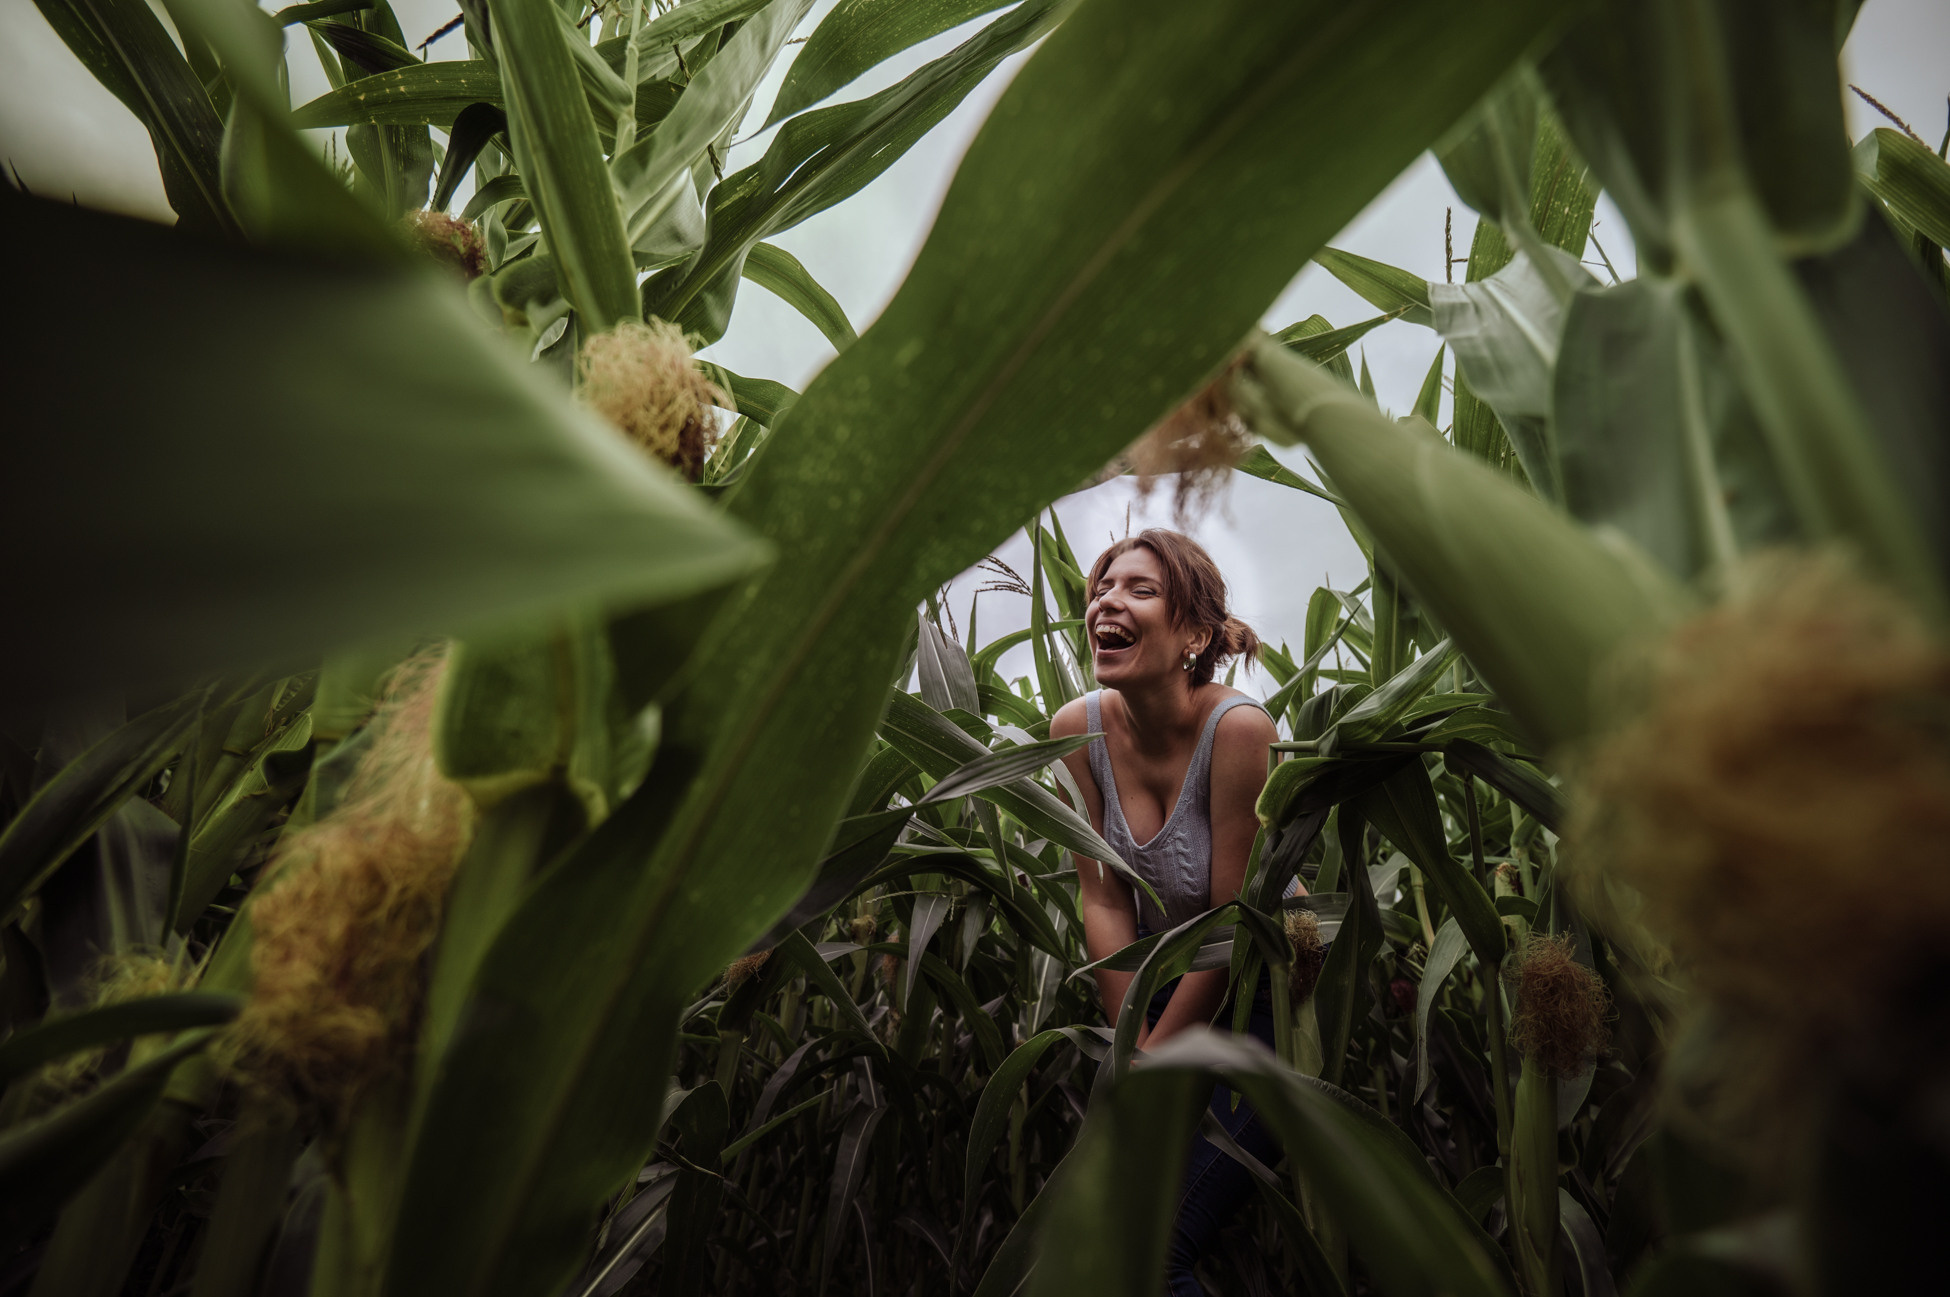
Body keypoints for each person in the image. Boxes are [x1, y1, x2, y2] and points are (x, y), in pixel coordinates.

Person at [1049, 529, 1285, 1297]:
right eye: (1103, 588)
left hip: (1256, 1006)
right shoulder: (1075, 730)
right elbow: (1102, 895)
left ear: (1194, 635)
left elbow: (1229, 920)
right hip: (1153, 993)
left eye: (1140, 589)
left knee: (1155, 1250)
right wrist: (1133, 1048)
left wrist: (1153, 1059)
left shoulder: (1239, 730)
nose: (1107, 602)